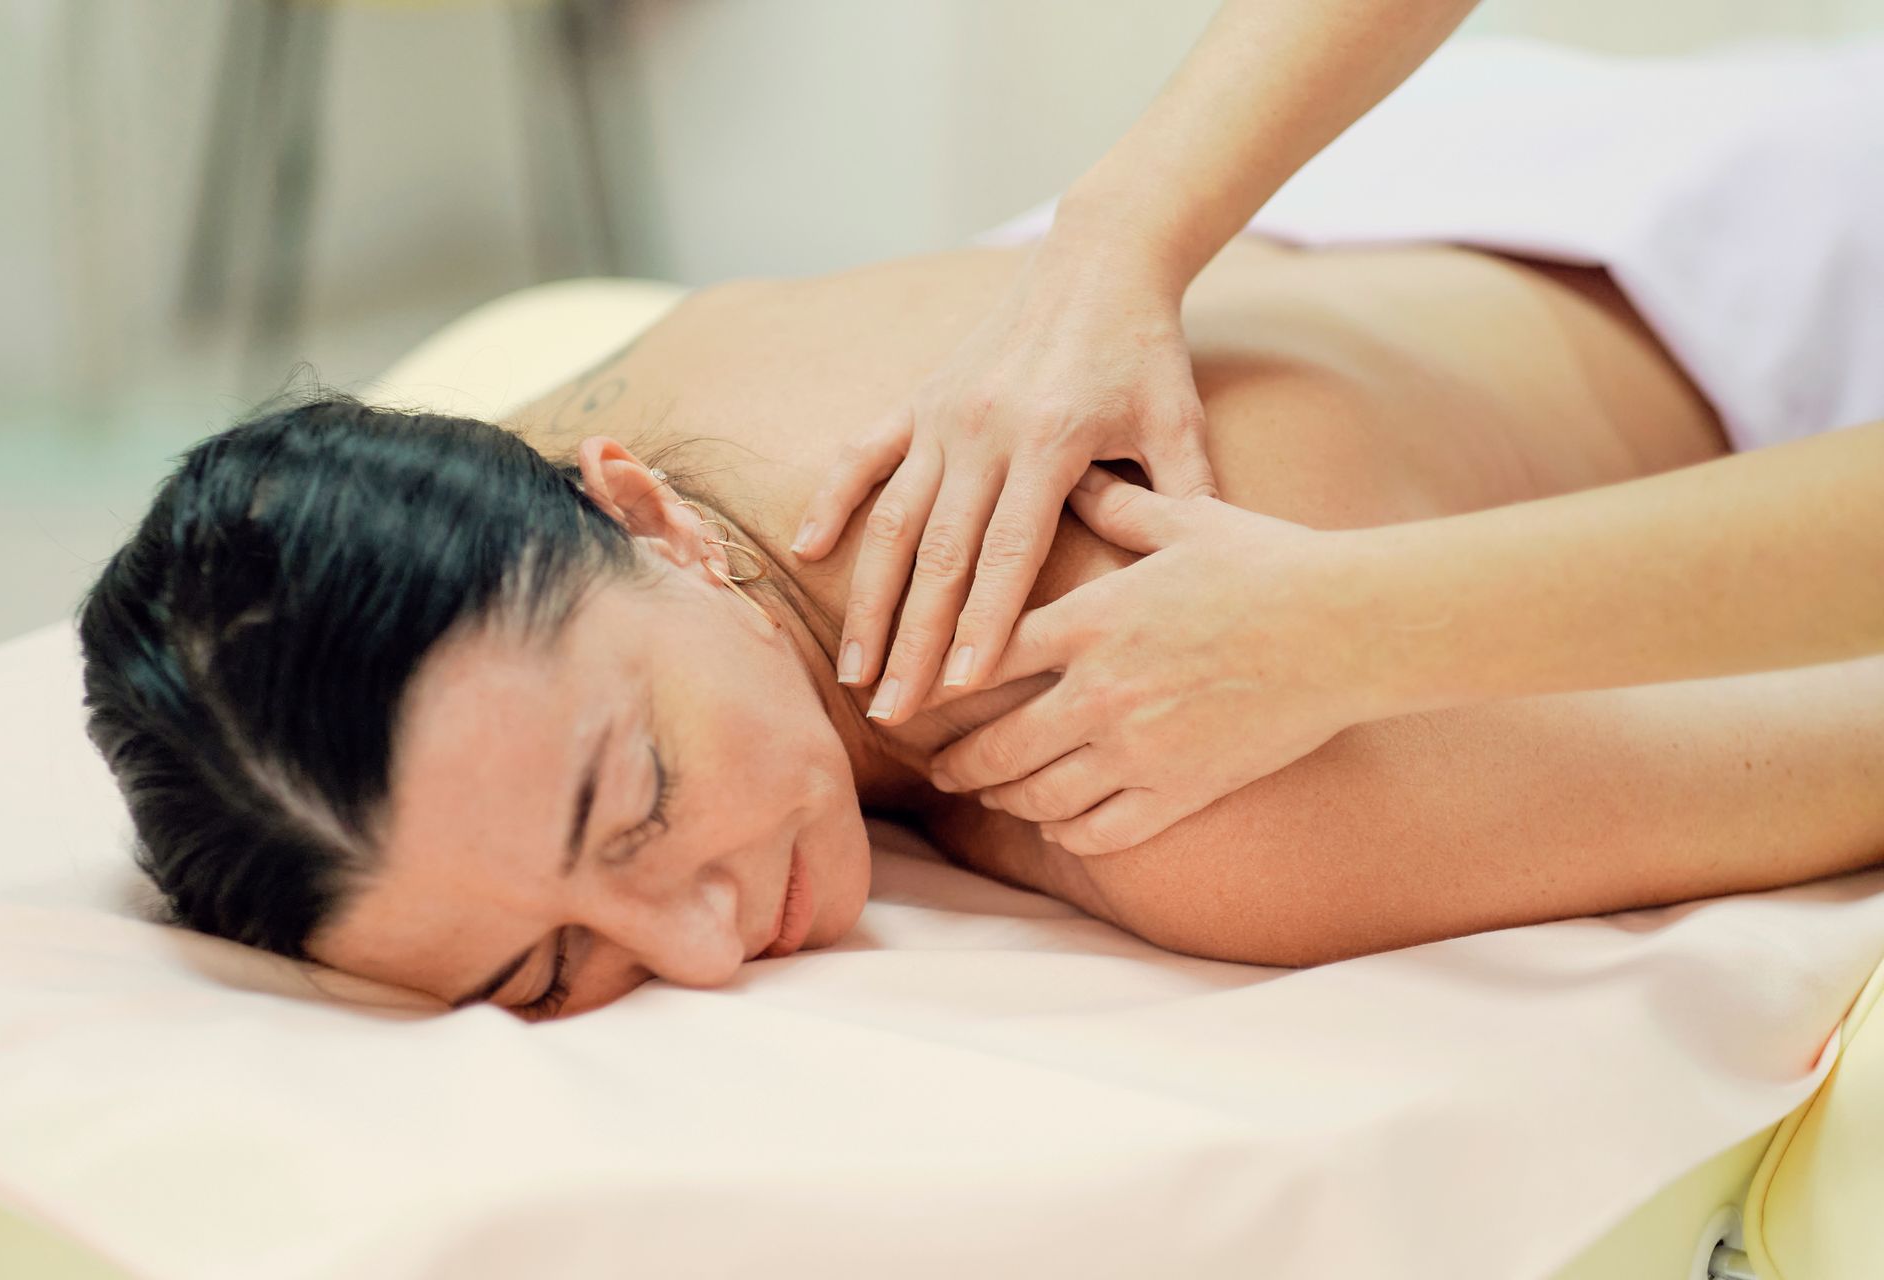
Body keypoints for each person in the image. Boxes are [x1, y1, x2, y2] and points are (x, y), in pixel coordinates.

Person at [78, 212, 1884, 1023]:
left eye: (629, 808)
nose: (699, 947)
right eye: (545, 970)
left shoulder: (1204, 799)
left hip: (1779, 302)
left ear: (641, 511)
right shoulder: (586, 459)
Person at [791, 0, 1884, 855]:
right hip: (1525, 153)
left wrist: (1351, 627)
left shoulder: (1260, 851)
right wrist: (1115, 239)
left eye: (625, 792)